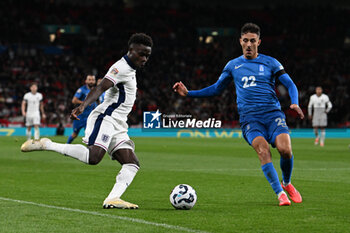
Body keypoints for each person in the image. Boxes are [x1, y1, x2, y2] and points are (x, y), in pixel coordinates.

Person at [173, 23, 304, 206]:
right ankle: (280, 193)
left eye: (252, 41)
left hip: (273, 114)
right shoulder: (233, 65)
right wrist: (189, 93)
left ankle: (287, 183)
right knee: (263, 150)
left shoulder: (271, 62)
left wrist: (294, 102)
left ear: (259, 42)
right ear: (240, 42)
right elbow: (216, 89)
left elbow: (290, 84)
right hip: (250, 119)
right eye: (245, 40)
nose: (249, 44)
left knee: (285, 150)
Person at [21, 33, 153, 209]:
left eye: (147, 55)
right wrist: (83, 106)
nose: (144, 59)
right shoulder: (120, 68)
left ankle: (112, 199)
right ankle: (48, 144)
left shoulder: (131, 69)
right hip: (106, 118)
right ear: (131, 51)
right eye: (141, 54)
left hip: (119, 124)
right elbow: (100, 87)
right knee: (94, 157)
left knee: (132, 163)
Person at [67, 75, 97, 144]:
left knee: (89, 134)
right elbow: (74, 100)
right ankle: (66, 145)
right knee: (74, 134)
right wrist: (85, 103)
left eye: (92, 80)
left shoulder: (96, 90)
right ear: (86, 81)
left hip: (89, 117)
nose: (91, 81)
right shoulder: (82, 90)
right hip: (79, 117)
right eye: (89, 80)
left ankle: (90, 150)